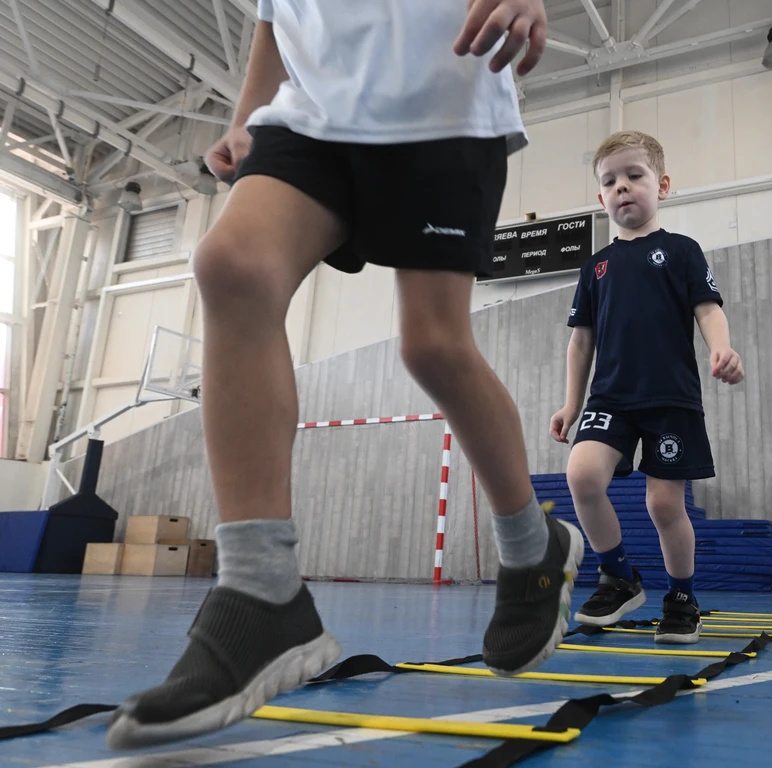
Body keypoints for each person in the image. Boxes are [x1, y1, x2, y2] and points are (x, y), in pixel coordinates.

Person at [106, 0, 585, 751]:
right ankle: (261, 590)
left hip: (445, 100)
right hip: (309, 114)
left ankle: (532, 544)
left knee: (432, 346)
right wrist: (248, 113)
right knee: (231, 265)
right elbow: (275, 14)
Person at [550, 130, 744, 643]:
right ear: (600, 198)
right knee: (582, 475)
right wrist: (572, 403)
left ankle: (682, 595)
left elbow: (708, 309)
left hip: (670, 397)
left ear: (662, 184)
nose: (623, 188)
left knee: (663, 504)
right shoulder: (595, 266)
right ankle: (619, 574)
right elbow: (579, 342)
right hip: (610, 397)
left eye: (634, 176)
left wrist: (720, 348)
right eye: (610, 182)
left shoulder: (681, 251)